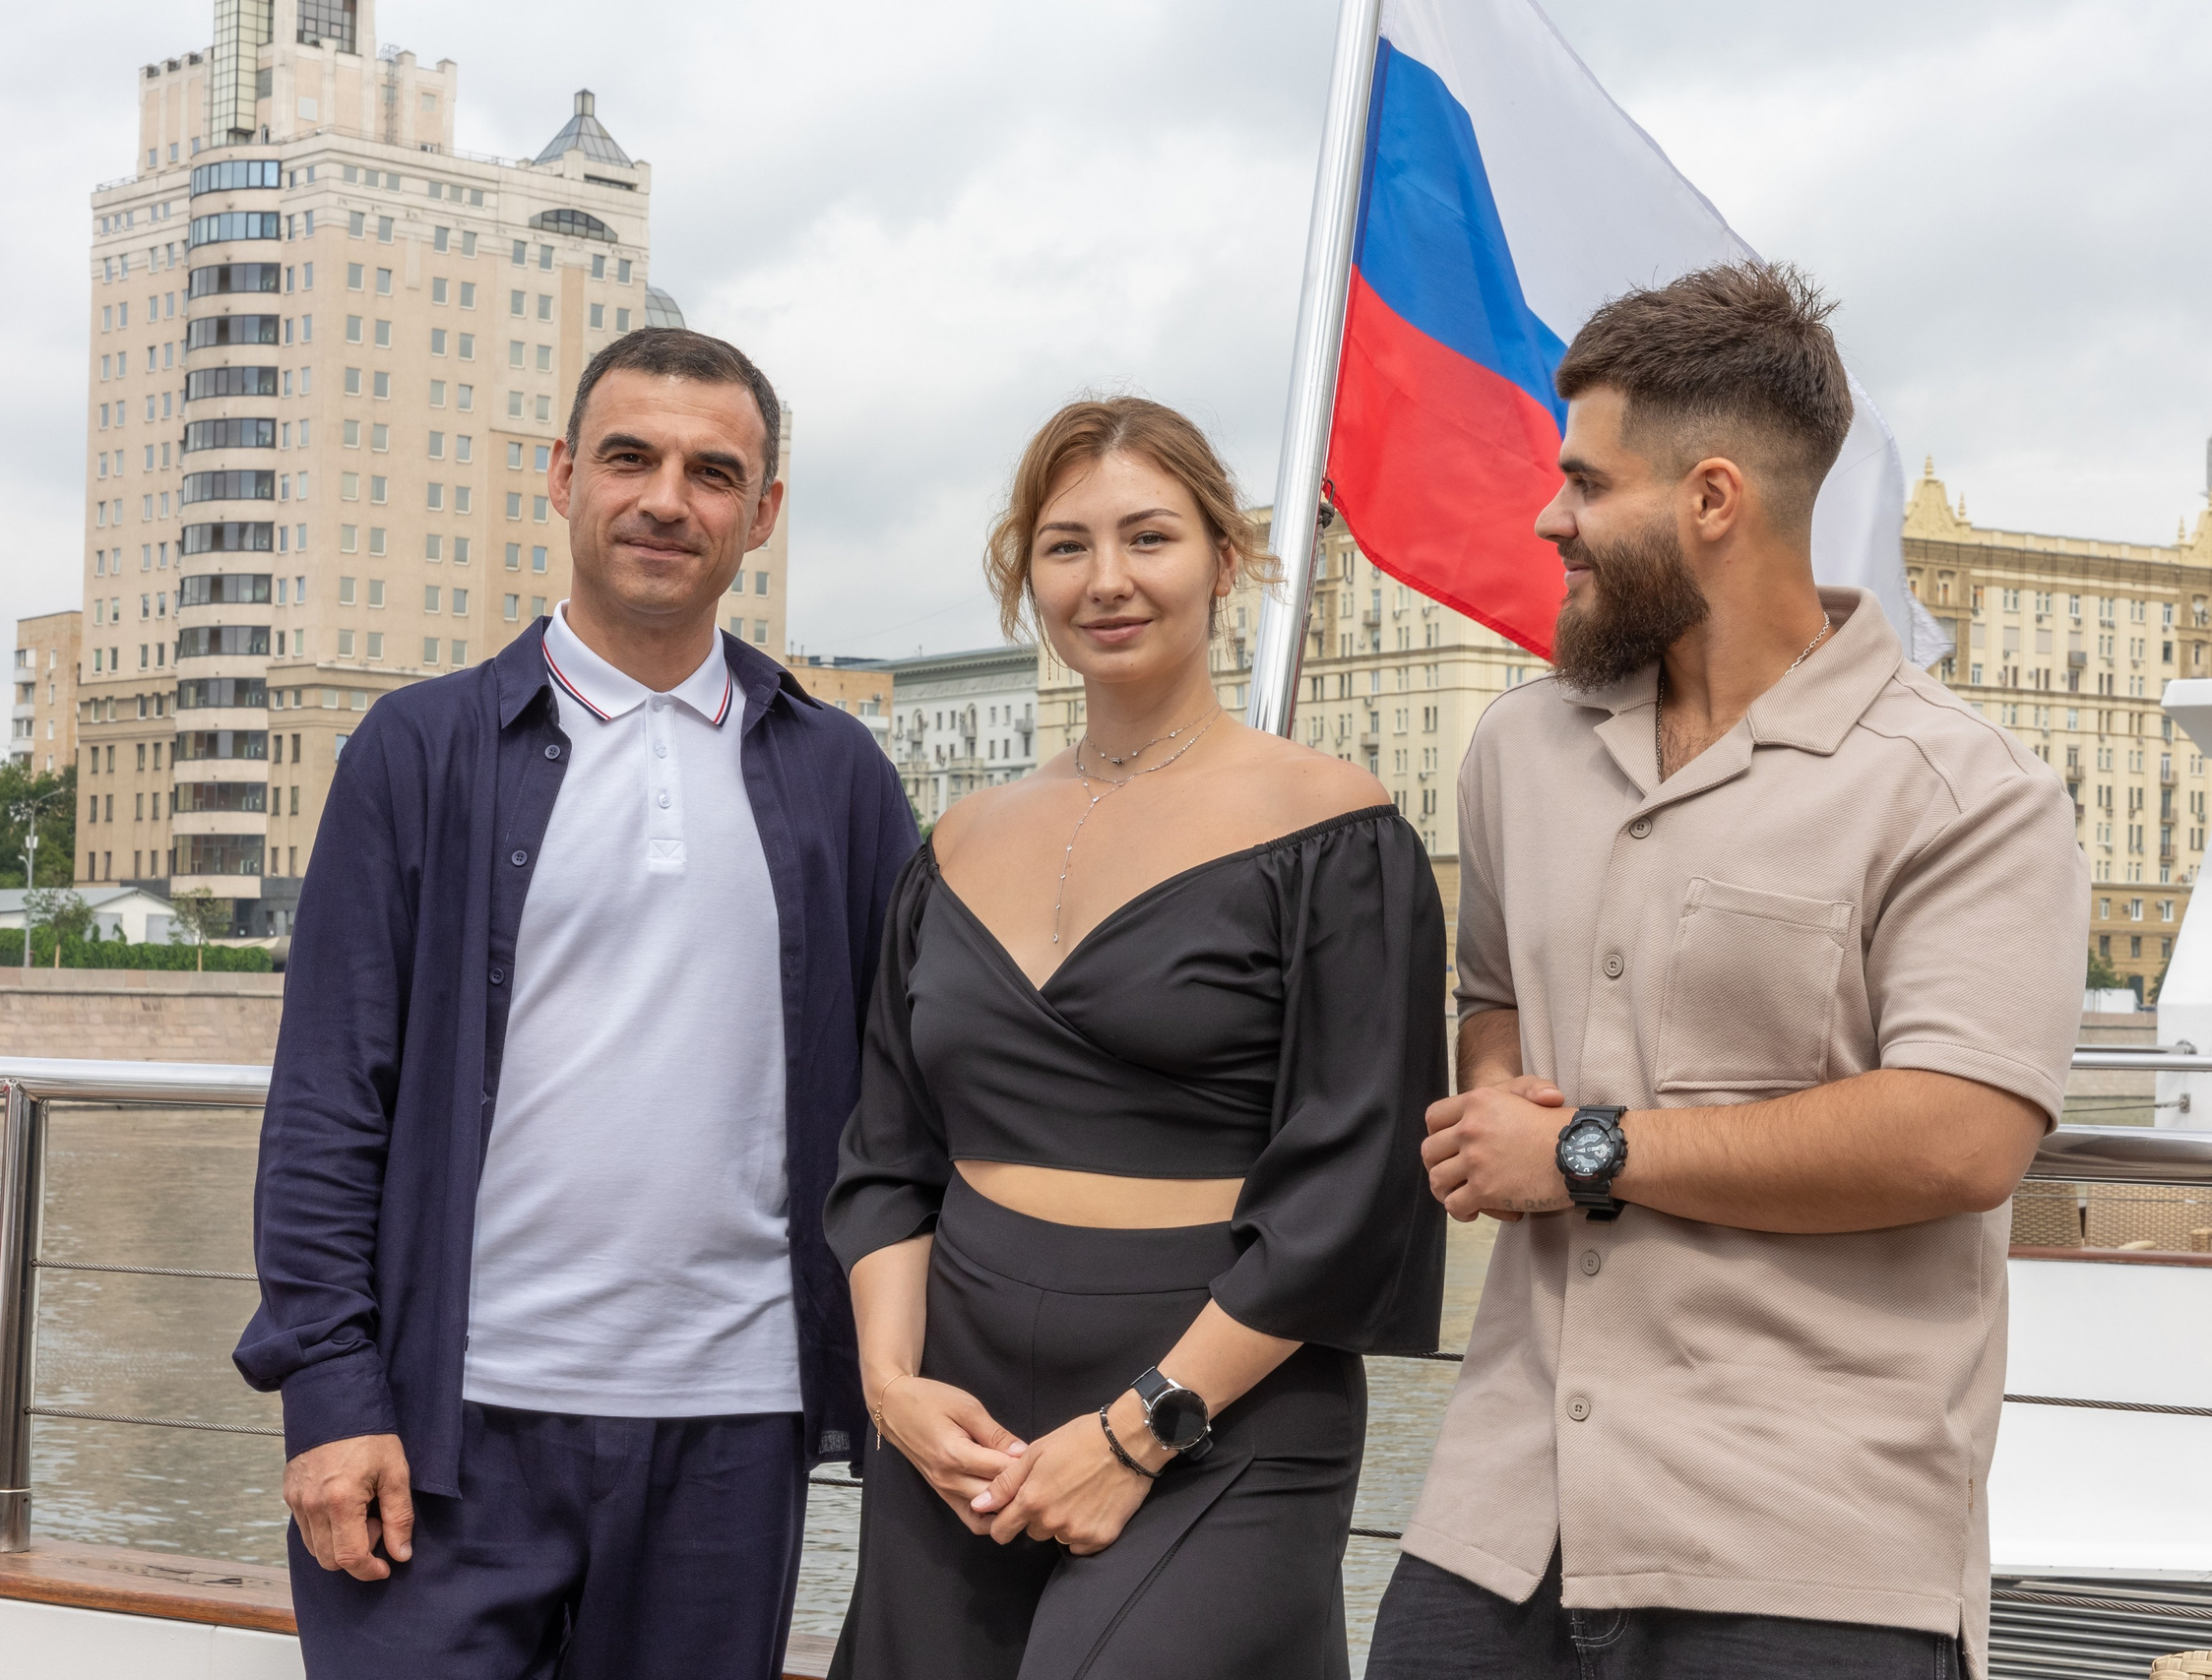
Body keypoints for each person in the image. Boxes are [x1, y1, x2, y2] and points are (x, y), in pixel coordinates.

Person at [1363, 264, 2088, 1680]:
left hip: (1807, 1548)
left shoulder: (1965, 791)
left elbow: (1959, 1136)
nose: (1547, 517)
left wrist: (1577, 1149)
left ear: (1710, 500)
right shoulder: (1519, 751)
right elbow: (1494, 990)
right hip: (1502, 1518)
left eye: (1584, 483)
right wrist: (1492, 1091)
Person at [232, 328, 916, 1679]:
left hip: (733, 1424)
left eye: (713, 472)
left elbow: (917, 1089)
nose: (667, 498)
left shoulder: (838, 773)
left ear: (761, 513)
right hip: (445, 1432)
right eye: (629, 457)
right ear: (559, 478)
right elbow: (327, 1100)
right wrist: (329, 1388)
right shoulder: (418, 752)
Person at [823, 397, 1447, 1679]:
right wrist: (892, 1388)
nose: (1106, 580)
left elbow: (1356, 1183)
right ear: (1024, 575)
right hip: (960, 1402)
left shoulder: (1334, 832)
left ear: (1228, 560)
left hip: (1225, 1392)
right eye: (1065, 545)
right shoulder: (947, 848)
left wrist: (1143, 1427)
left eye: (1149, 537)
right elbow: (889, 1155)